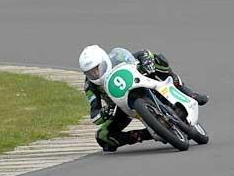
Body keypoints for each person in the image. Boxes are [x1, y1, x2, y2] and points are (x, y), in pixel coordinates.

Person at [78, 45, 208, 153]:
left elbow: (143, 53)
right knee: (103, 137)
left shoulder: (117, 57)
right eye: (90, 72)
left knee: (158, 60)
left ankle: (189, 93)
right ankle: (147, 134)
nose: (95, 74)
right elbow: (95, 115)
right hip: (120, 107)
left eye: (97, 68)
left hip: (141, 80)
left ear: (104, 60)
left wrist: (147, 61)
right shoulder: (90, 86)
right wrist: (105, 112)